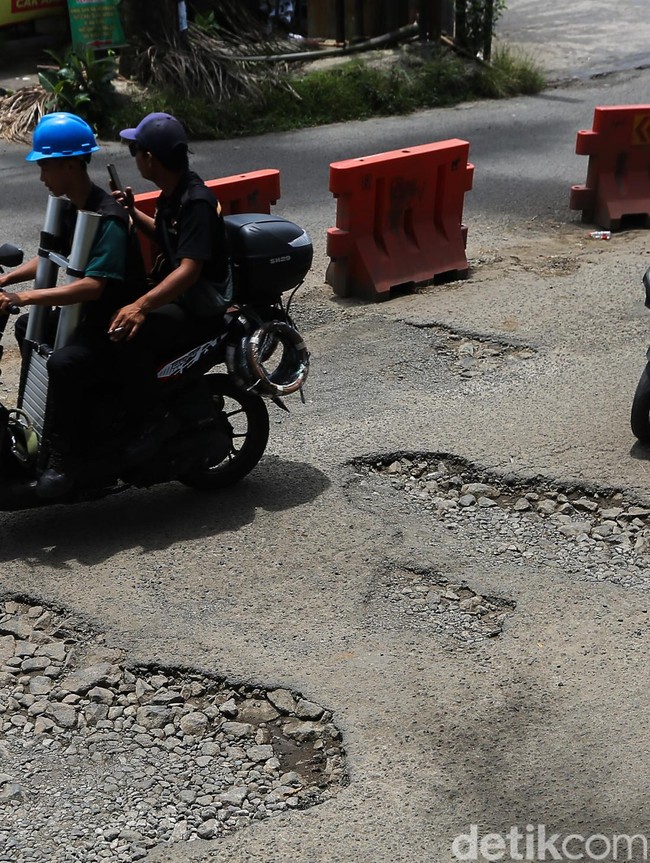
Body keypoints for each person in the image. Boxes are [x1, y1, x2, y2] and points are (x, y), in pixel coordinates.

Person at [0, 112, 142, 498]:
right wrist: (8, 279)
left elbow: (93, 287)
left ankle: (65, 456)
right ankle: (42, 420)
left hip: (113, 326)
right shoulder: (73, 207)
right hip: (88, 318)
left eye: (45, 165)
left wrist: (21, 296)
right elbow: (49, 256)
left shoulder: (108, 218)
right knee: (27, 327)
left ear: (70, 164)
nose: (42, 175)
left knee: (64, 363)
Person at [109, 112, 232, 460]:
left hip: (198, 305)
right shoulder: (172, 194)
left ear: (149, 158)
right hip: (181, 295)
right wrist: (133, 212)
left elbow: (189, 269)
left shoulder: (195, 202)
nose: (134, 158)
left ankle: (156, 417)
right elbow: (168, 242)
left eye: (136, 150)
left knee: (127, 335)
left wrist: (140, 306)